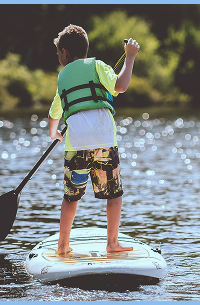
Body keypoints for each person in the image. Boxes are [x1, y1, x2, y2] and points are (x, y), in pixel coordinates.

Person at [48, 24, 140, 255]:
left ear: (65, 52)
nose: (58, 56)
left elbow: (55, 111)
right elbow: (121, 85)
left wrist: (54, 132)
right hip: (104, 142)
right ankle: (112, 243)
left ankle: (62, 246)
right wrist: (129, 58)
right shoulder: (98, 66)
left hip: (76, 145)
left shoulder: (62, 76)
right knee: (114, 194)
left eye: (58, 52)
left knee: (71, 197)